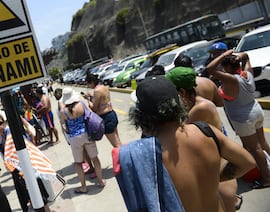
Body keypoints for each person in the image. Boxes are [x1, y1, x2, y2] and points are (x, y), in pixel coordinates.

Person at [114, 75, 255, 211]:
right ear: (178, 103)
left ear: (140, 114)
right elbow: (247, 162)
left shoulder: (148, 154)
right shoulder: (205, 131)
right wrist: (213, 178)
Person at [166, 66, 242, 211]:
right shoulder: (195, 105)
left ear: (181, 91)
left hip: (218, 172)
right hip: (211, 169)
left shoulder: (201, 108)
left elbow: (181, 134)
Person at [207, 49, 270, 189]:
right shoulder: (247, 74)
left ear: (229, 67)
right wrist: (235, 56)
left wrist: (224, 54)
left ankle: (267, 178)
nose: (223, 69)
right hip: (256, 110)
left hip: (244, 119)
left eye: (224, 67)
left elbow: (209, 68)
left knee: (255, 148)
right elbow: (246, 56)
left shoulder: (231, 79)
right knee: (263, 144)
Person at [0, 113, 53, 212]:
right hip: (16, 172)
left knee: (40, 197)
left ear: (5, 122)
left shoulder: (12, 133)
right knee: (27, 199)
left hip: (26, 169)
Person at [60, 88, 106, 193]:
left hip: (74, 138)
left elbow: (64, 126)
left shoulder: (63, 111)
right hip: (87, 134)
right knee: (95, 158)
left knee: (78, 163)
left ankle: (84, 187)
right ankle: (100, 181)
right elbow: (90, 114)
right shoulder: (81, 103)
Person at [85, 73, 121, 147]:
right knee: (118, 140)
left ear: (92, 82)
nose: (88, 86)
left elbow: (94, 108)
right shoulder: (104, 87)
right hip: (111, 114)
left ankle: (123, 157)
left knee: (115, 144)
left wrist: (88, 100)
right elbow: (102, 100)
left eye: (88, 84)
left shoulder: (96, 91)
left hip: (105, 117)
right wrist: (92, 97)